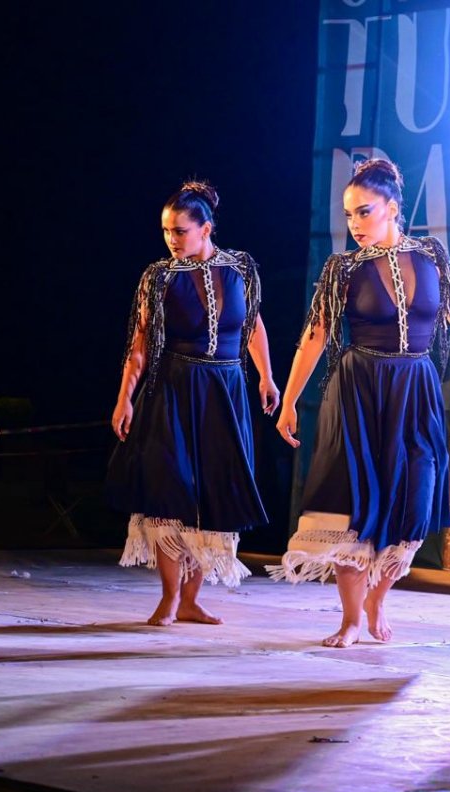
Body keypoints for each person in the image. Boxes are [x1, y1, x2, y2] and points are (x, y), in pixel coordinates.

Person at [269, 158, 450, 647]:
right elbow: (315, 334)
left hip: (416, 391)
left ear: (392, 207)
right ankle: (350, 618)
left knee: (416, 501)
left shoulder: (431, 255)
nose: (354, 223)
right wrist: (289, 401)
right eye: (348, 214)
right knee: (352, 507)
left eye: (364, 211)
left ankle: (377, 597)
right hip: (359, 391)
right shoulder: (343, 269)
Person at [107, 180, 280, 626]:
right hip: (174, 387)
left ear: (206, 228)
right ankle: (169, 597)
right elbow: (140, 344)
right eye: (166, 230)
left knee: (212, 492)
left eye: (180, 231)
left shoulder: (240, 268)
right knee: (170, 488)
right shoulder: (159, 276)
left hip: (225, 389)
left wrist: (266, 376)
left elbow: (253, 326)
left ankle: (190, 599)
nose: (171, 239)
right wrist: (125, 398)